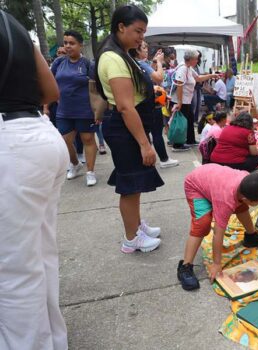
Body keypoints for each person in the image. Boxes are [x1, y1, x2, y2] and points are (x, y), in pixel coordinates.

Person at [0, 9, 68, 349]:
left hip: (11, 143)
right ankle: (53, 339)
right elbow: (49, 90)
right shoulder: (11, 22)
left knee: (12, 273)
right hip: (37, 136)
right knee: (39, 255)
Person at [95, 4, 164, 253]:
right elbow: (125, 106)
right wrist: (145, 144)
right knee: (130, 184)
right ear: (120, 27)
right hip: (125, 128)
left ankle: (136, 225)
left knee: (135, 183)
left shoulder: (122, 54)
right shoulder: (113, 58)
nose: (141, 37)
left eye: (143, 32)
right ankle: (131, 238)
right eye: (137, 31)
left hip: (128, 126)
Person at [178, 164, 258, 290]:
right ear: (246, 198)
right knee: (202, 225)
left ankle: (251, 236)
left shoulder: (247, 179)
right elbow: (218, 234)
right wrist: (217, 263)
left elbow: (246, 199)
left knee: (241, 207)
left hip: (213, 179)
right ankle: (185, 266)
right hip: (196, 186)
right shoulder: (225, 201)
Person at [45, 30, 99, 186]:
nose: (68, 46)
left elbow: (96, 89)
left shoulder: (88, 64)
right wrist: (46, 107)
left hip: (85, 110)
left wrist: (98, 110)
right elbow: (50, 84)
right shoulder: (58, 63)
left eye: (72, 43)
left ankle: (90, 172)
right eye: (66, 43)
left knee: (87, 139)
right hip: (63, 110)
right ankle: (75, 164)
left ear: (80, 45)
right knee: (64, 141)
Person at [130, 41, 179, 168]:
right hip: (150, 104)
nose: (147, 50)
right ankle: (164, 159)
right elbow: (158, 78)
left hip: (141, 103)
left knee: (147, 133)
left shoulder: (134, 63)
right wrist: (159, 62)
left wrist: (153, 60)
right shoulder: (140, 63)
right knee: (156, 133)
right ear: (137, 50)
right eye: (144, 48)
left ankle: (147, 159)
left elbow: (149, 73)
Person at [171, 49, 218, 151]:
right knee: (181, 122)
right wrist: (179, 102)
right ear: (191, 59)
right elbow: (179, 84)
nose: (197, 61)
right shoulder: (183, 69)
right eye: (196, 59)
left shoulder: (189, 68)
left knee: (190, 119)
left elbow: (198, 78)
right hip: (181, 101)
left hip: (186, 100)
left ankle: (190, 140)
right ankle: (177, 144)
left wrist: (211, 75)